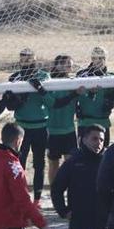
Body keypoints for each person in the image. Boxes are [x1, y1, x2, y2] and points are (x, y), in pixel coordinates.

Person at [2, 48, 51, 203]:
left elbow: (49, 100)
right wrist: (18, 98)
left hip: (40, 125)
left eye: (29, 58)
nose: (26, 61)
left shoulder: (43, 76)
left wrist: (39, 89)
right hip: (21, 127)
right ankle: (20, 198)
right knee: (18, 164)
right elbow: (9, 105)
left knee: (39, 164)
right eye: (23, 58)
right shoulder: (15, 77)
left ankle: (37, 199)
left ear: (35, 59)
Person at [42, 55, 81, 188]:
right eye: (67, 65)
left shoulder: (73, 82)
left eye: (71, 65)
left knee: (70, 163)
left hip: (69, 129)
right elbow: (54, 104)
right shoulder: (49, 82)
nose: (70, 68)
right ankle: (54, 190)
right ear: (58, 65)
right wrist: (74, 94)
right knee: (53, 164)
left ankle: (71, 190)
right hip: (52, 130)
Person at [76, 47, 114, 147]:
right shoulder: (82, 75)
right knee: (83, 155)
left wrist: (109, 104)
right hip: (85, 122)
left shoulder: (111, 76)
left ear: (106, 59)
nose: (99, 61)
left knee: (103, 155)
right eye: (96, 58)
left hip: (103, 122)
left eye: (102, 58)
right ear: (92, 58)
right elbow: (75, 95)